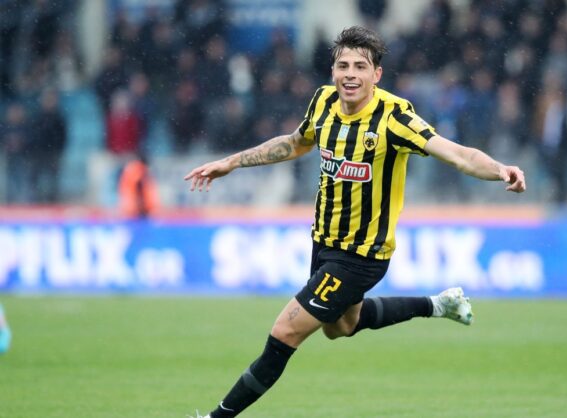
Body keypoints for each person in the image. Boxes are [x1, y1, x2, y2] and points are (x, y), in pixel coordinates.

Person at [184, 26, 526, 418]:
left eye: (360, 67)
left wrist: (501, 170)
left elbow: (458, 154)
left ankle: (215, 417)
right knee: (341, 327)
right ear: (332, 71)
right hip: (324, 242)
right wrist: (230, 162)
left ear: (376, 74)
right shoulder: (323, 101)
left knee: (285, 332)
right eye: (343, 65)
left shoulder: (394, 118)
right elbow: (295, 142)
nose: (350, 74)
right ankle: (438, 304)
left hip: (362, 255)